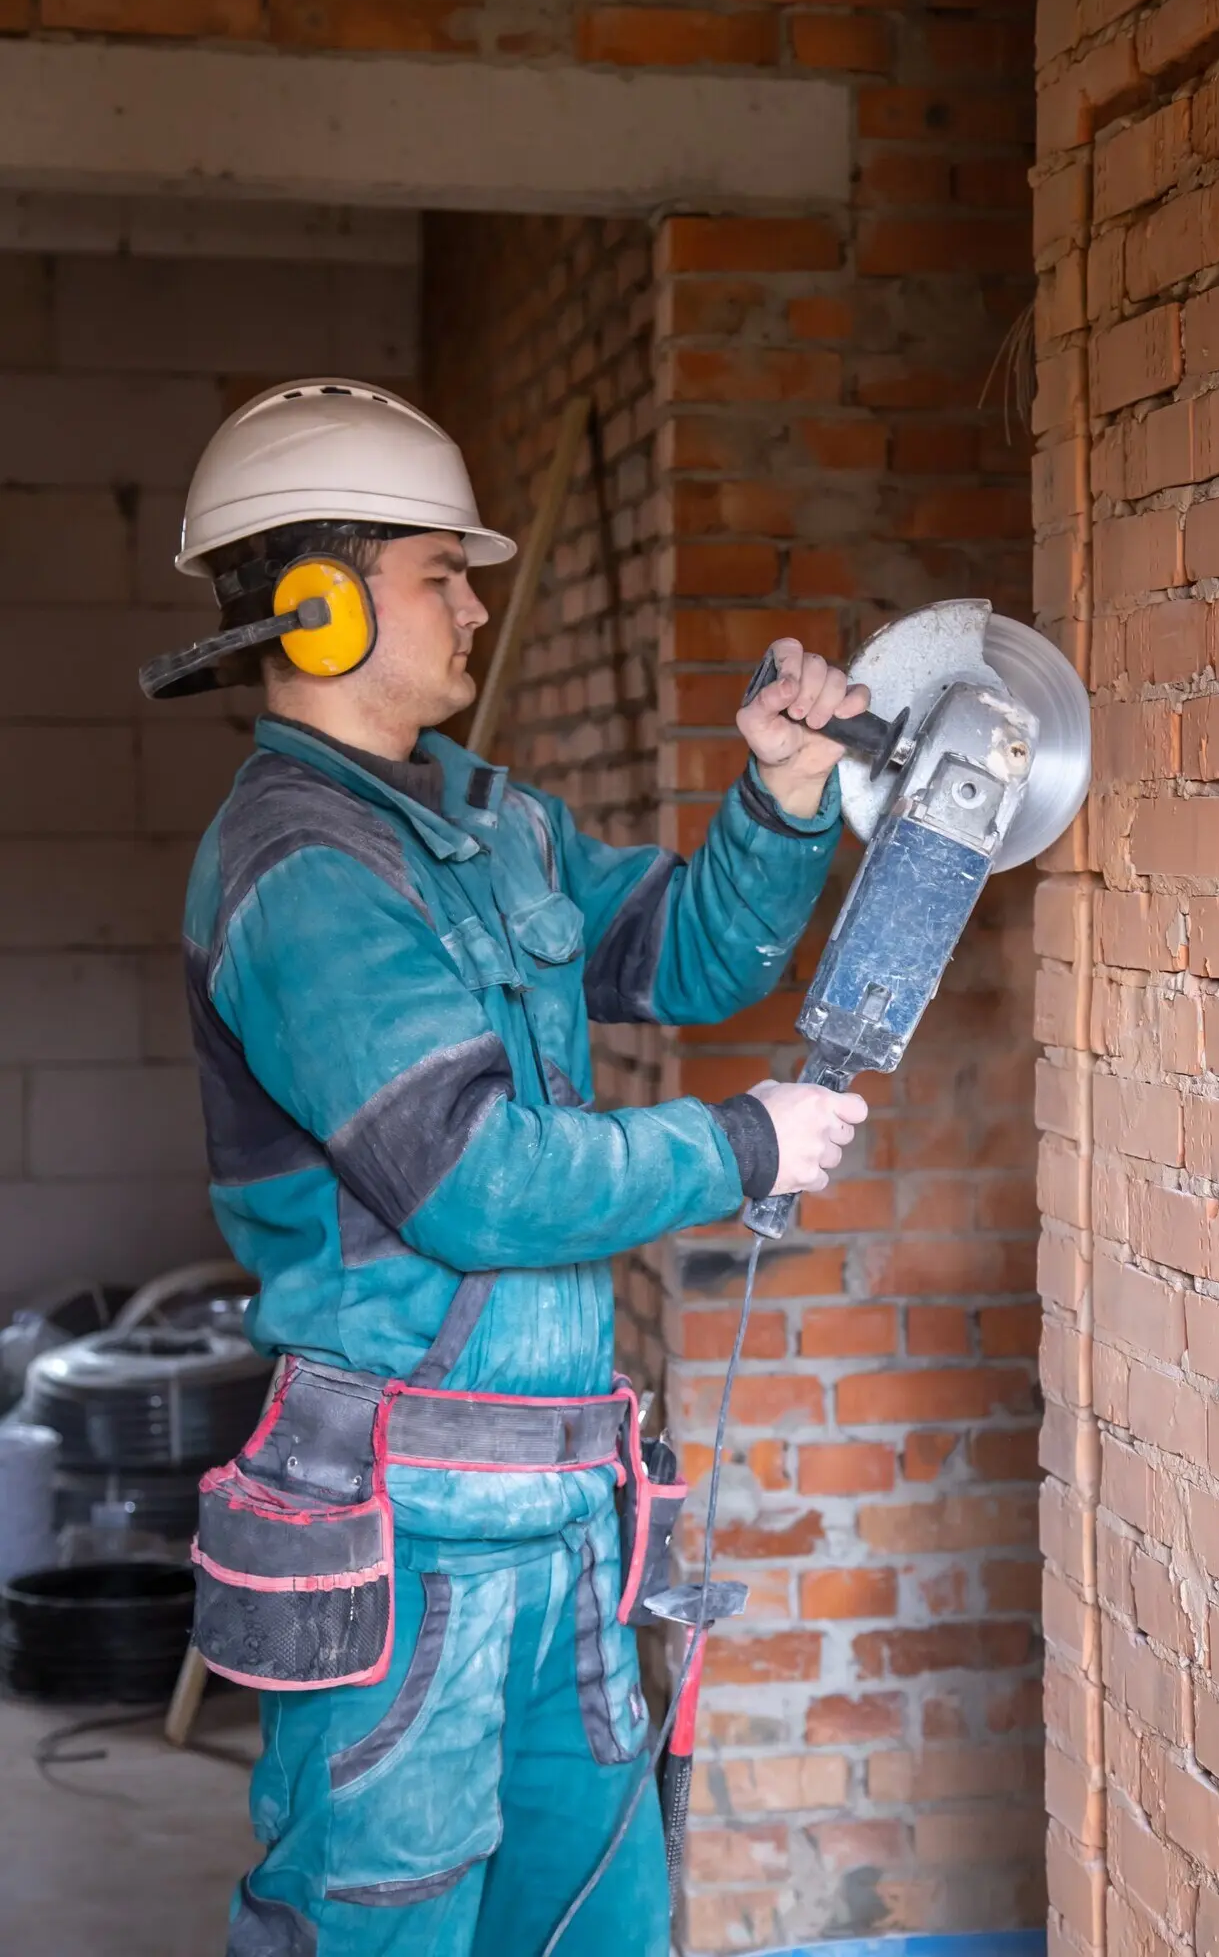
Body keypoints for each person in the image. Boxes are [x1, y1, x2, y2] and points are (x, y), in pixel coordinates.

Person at [147, 378, 868, 1957]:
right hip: (405, 1538)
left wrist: (785, 793)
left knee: (592, 1922)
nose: (474, 605)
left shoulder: (486, 822)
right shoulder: (299, 874)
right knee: (385, 1925)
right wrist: (738, 1144)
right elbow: (474, 1178)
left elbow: (686, 954)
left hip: (562, 1514)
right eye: (438, 574)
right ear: (320, 610)